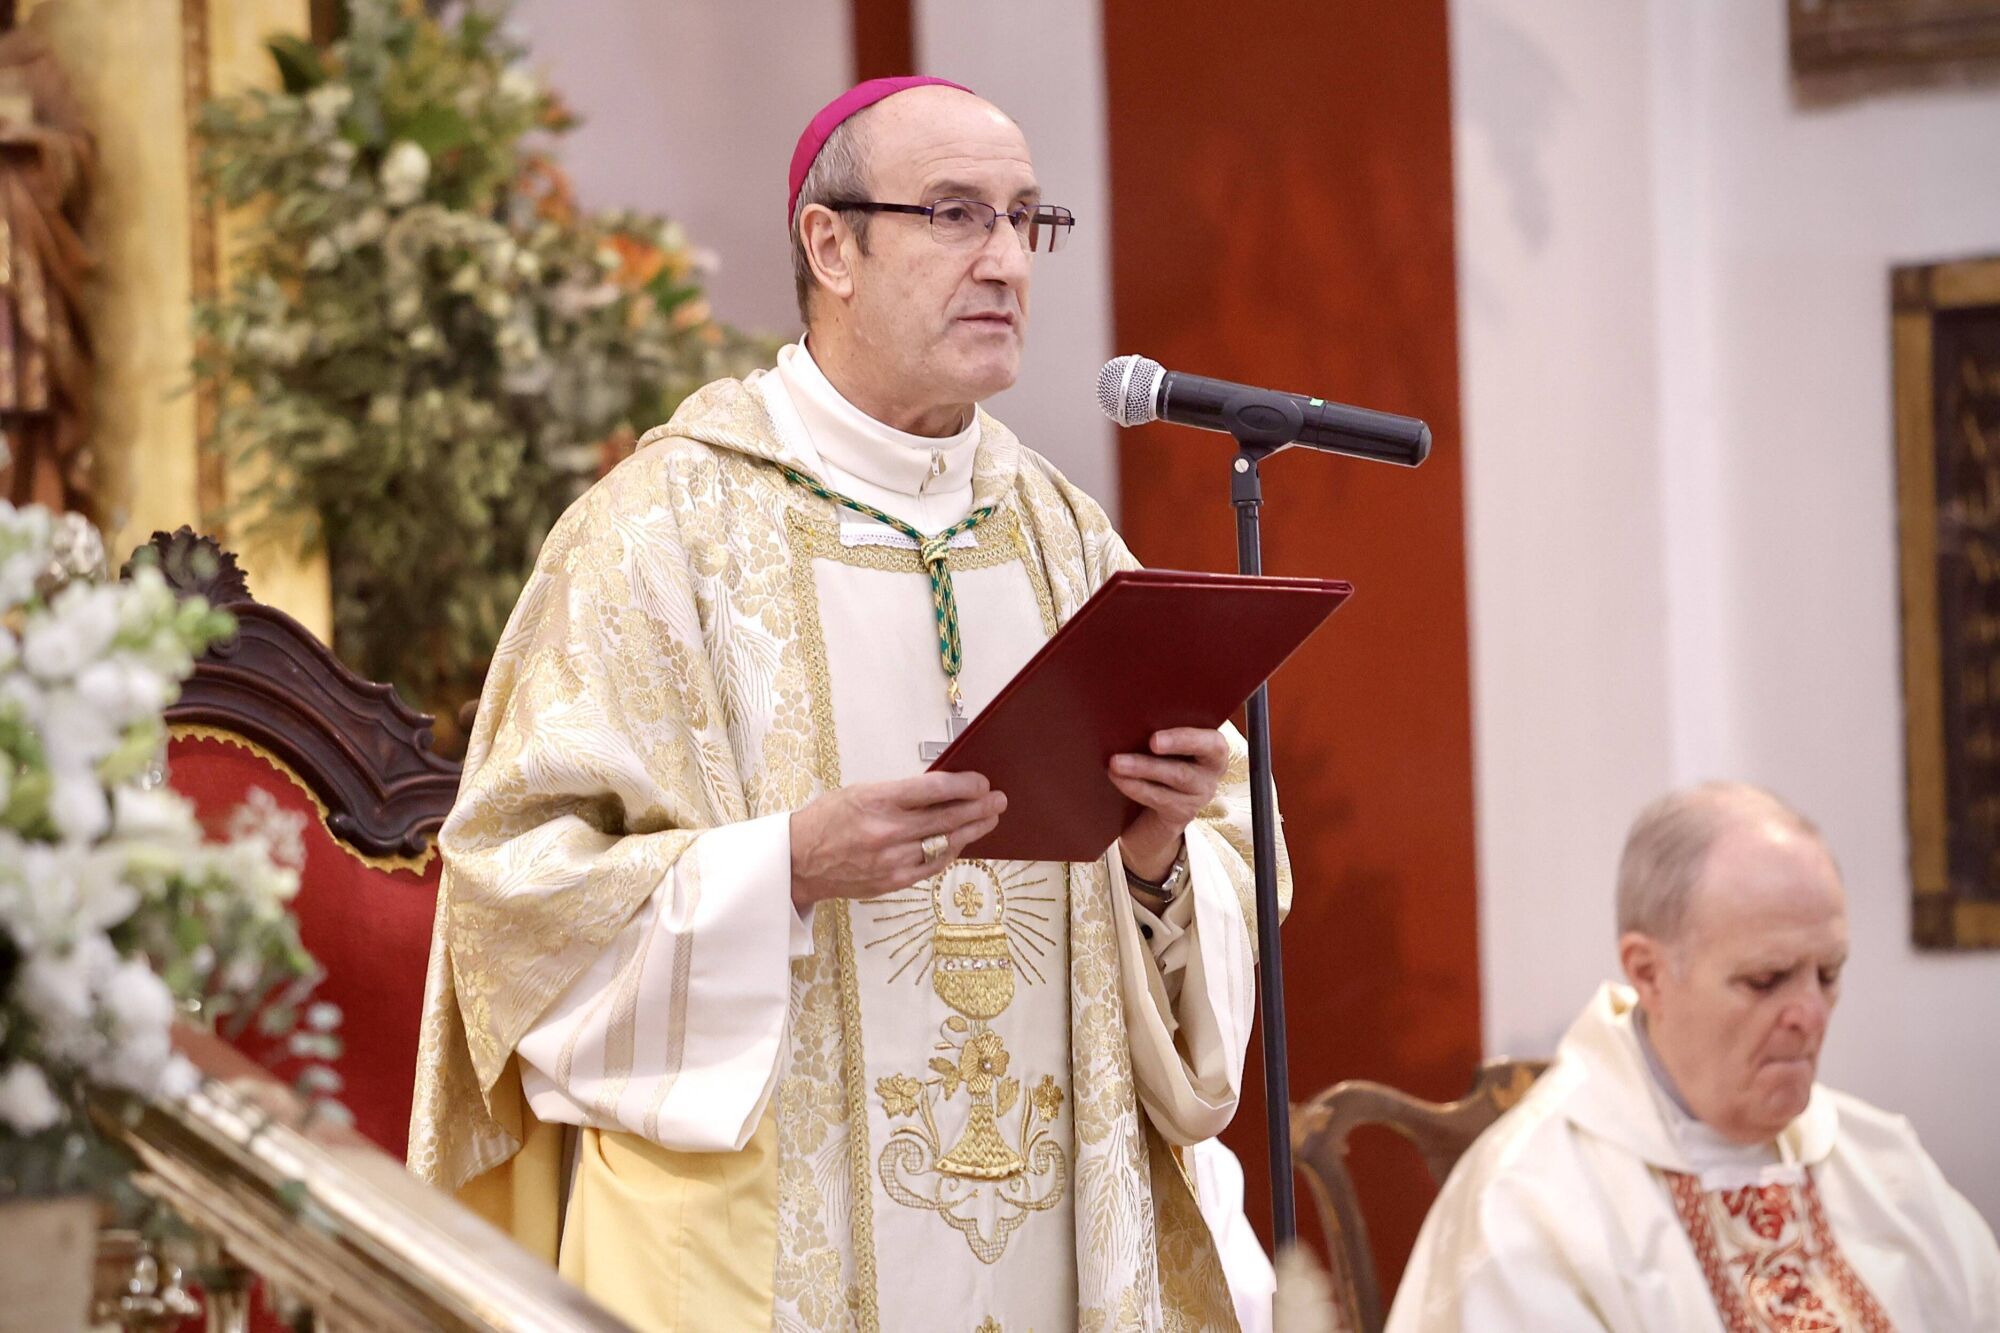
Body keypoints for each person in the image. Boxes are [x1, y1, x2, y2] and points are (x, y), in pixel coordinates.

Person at [409, 76, 1282, 1333]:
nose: (1004, 263)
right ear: (831, 245)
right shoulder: (660, 532)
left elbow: (1227, 859)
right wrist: (783, 869)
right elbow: (509, 901)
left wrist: (1155, 854)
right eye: (953, 215)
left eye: (1025, 220)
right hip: (754, 1262)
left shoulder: (1062, 540)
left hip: (1045, 1249)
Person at [1387, 782, 2000, 1331]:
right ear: (1649, 973)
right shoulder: (1531, 1208)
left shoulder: (1882, 1164)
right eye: (1767, 979)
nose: (1811, 1014)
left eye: (1829, 973)